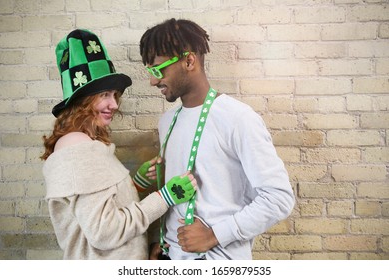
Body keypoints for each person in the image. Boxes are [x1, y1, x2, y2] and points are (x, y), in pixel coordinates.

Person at [139, 18, 295, 260]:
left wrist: (214, 235)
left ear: (189, 61)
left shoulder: (237, 118)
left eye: (158, 69)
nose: (152, 80)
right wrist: (163, 241)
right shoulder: (167, 122)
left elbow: (278, 198)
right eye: (149, 71)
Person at [40, 29, 197, 259]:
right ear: (82, 99)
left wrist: (135, 185)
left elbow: (99, 207)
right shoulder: (77, 147)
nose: (114, 104)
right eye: (104, 94)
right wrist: (165, 197)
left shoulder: (84, 143)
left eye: (115, 94)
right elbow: (104, 232)